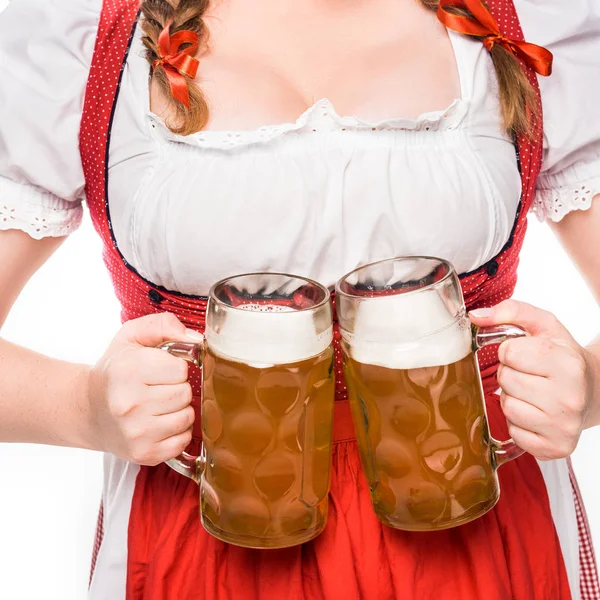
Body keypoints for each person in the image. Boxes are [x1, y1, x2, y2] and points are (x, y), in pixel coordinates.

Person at [0, 0, 599, 598]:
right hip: (209, 532)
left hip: (475, 515)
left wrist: (587, 385)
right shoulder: (93, 41)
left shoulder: (522, 22)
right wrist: (82, 408)